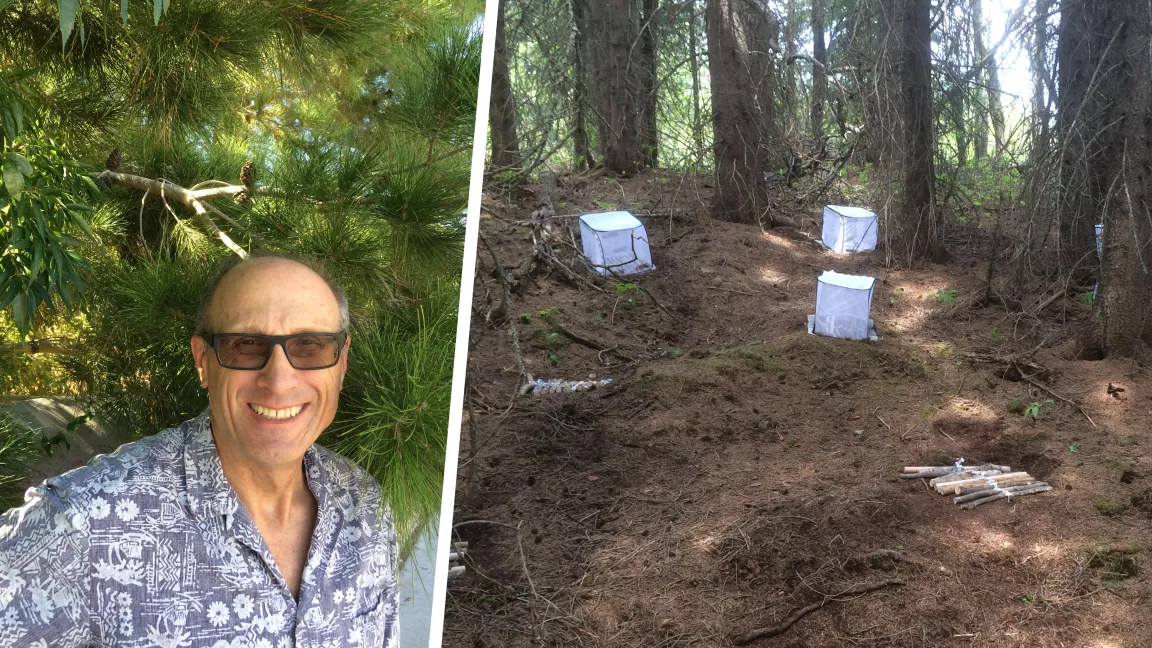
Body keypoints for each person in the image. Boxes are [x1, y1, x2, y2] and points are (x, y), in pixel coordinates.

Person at [0, 256, 398, 647]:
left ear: (341, 364)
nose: (279, 380)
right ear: (203, 361)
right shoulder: (90, 522)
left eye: (310, 346)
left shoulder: (365, 505)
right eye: (246, 345)